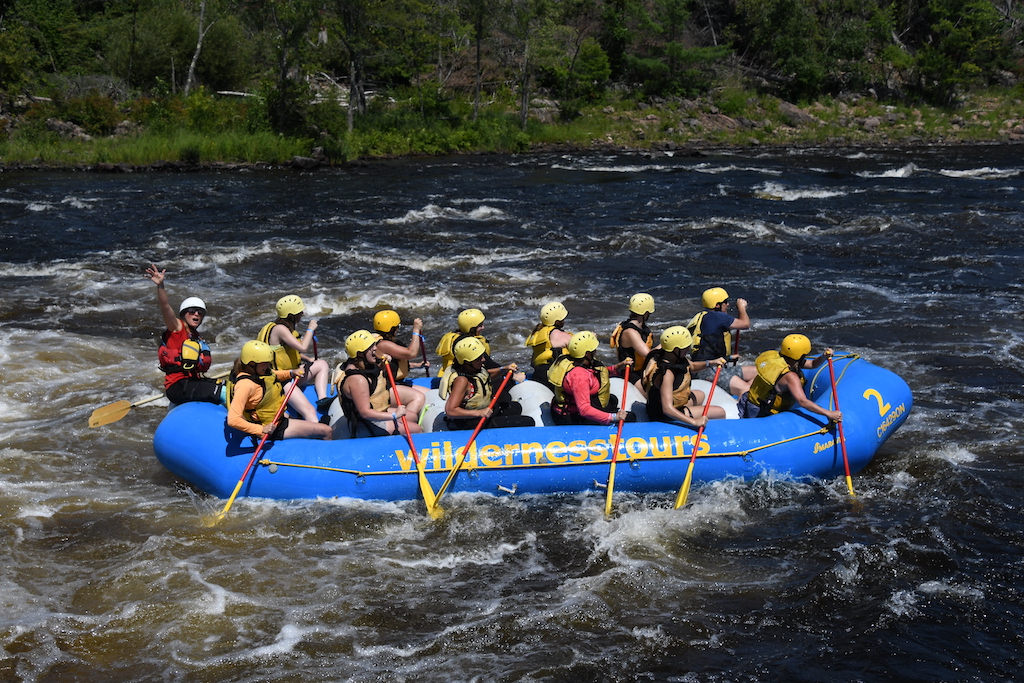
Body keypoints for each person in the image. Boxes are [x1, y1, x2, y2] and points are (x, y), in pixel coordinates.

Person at [226, 340, 332, 441]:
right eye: (265, 363)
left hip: (277, 418)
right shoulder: (245, 385)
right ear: (252, 363)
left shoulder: (260, 372)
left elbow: (273, 375)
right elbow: (233, 419)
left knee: (309, 423)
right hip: (270, 427)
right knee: (326, 431)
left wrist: (291, 373)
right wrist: (261, 430)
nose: (268, 365)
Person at [146, 264, 222, 405]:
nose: (196, 314)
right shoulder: (177, 328)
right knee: (224, 393)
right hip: (178, 386)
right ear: (183, 314)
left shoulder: (196, 336)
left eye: (200, 313)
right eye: (192, 311)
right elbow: (165, 307)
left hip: (192, 382)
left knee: (228, 386)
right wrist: (160, 285)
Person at [736, 334, 843, 422]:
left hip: (750, 400)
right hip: (761, 412)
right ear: (800, 356)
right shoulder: (791, 377)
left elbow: (812, 365)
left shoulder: (777, 358)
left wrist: (823, 357)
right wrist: (829, 413)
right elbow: (803, 402)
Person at [257, 295, 331, 419]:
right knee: (309, 411)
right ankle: (319, 434)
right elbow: (302, 347)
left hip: (293, 373)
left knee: (322, 364)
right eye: (299, 312)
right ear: (292, 315)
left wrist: (308, 360)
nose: (302, 314)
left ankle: (322, 399)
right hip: (281, 379)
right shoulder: (279, 329)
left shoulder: (283, 327)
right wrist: (310, 329)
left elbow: (288, 352)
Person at [337, 330, 423, 437]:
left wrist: (382, 366)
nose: (375, 348)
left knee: (412, 416)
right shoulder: (357, 379)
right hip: (366, 424)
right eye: (370, 347)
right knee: (417, 429)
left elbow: (376, 381)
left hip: (373, 414)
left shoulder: (362, 365)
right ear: (360, 353)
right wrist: (394, 415)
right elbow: (365, 413)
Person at [642, 326, 726, 427]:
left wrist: (711, 363)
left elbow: (693, 366)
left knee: (700, 395)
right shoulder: (667, 373)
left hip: (668, 405)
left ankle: (690, 412)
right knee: (720, 412)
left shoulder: (667, 355)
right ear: (676, 349)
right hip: (663, 415)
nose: (688, 349)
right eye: (685, 347)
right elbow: (667, 409)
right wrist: (694, 422)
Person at [442, 337, 534, 430]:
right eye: (479, 358)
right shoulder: (462, 381)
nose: (483, 360)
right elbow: (450, 410)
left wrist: (503, 369)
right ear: (467, 362)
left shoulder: (475, 369)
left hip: (483, 413)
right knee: (528, 421)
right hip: (471, 422)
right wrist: (479, 413)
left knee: (515, 407)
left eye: (483, 356)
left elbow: (485, 376)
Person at [548, 331, 634, 426]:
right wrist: (613, 417)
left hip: (579, 409)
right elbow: (584, 409)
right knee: (630, 417)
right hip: (573, 417)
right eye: (593, 349)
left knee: (613, 399)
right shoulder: (579, 376)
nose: (596, 351)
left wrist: (620, 365)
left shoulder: (579, 361)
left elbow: (601, 373)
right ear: (587, 353)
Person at [688, 287, 756, 395]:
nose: (728, 305)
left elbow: (707, 346)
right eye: (725, 302)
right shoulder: (718, 317)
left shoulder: (701, 316)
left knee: (758, 373)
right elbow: (745, 324)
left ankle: (746, 400)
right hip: (708, 371)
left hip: (711, 366)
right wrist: (742, 308)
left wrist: (728, 358)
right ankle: (744, 405)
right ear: (717, 305)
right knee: (746, 390)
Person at [373, 309, 429, 395]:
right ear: (392, 328)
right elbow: (411, 353)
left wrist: (417, 365)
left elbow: (394, 365)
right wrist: (416, 331)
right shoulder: (383, 345)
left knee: (429, 393)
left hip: (396, 383)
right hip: (386, 388)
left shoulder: (387, 342)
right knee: (423, 396)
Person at [524, 301, 573, 386]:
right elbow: (579, 346)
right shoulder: (558, 334)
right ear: (557, 320)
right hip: (552, 377)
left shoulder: (539, 332)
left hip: (538, 374)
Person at [609, 293, 656, 373]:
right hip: (631, 373)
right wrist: (666, 344)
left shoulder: (641, 327)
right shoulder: (630, 332)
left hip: (641, 370)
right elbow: (648, 355)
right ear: (646, 312)